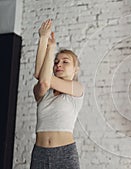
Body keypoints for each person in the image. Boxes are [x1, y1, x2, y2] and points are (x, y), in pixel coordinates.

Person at [30, 19, 84, 169]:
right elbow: (42, 80)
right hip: (39, 153)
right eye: (55, 62)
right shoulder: (42, 92)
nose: (58, 64)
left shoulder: (76, 89)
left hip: (64, 154)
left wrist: (51, 46)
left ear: (75, 69)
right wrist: (43, 39)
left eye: (65, 62)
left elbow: (43, 77)